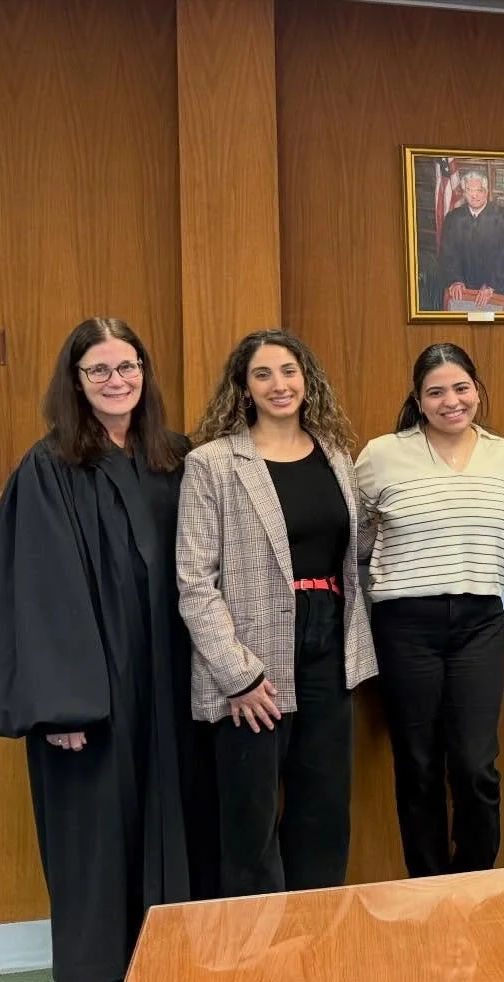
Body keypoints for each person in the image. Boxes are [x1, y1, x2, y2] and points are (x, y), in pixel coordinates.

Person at [0, 317, 213, 982]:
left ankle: (170, 961)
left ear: (144, 373)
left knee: (177, 820)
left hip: (170, 682)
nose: (116, 380)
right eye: (99, 369)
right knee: (95, 834)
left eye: (127, 366)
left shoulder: (174, 457)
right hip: (93, 695)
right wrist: (62, 707)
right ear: (75, 382)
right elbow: (38, 592)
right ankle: (97, 973)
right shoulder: (49, 468)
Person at [177, 328, 377, 897]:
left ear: (307, 380)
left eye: (289, 371)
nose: (278, 384)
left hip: (329, 644)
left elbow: (358, 546)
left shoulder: (335, 457)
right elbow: (194, 581)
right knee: (251, 817)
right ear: (244, 388)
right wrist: (237, 675)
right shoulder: (212, 464)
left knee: (323, 808)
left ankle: (315, 930)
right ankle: (256, 941)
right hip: (251, 658)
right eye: (262, 374)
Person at [356, 342, 504, 877]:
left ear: (477, 390)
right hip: (406, 627)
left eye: (461, 388)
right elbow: (354, 535)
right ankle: (426, 888)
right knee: (418, 764)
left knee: (475, 766)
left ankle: (473, 882)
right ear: (418, 400)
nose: (452, 401)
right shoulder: (382, 455)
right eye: (436, 392)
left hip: (480, 623)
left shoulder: (502, 453)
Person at [439, 169, 504, 311]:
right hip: (464, 290)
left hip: (497, 289)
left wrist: (492, 285)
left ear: (487, 192)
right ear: (464, 193)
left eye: (479, 190)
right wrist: (455, 279)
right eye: (469, 190)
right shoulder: (453, 218)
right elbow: (448, 255)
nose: (474, 195)